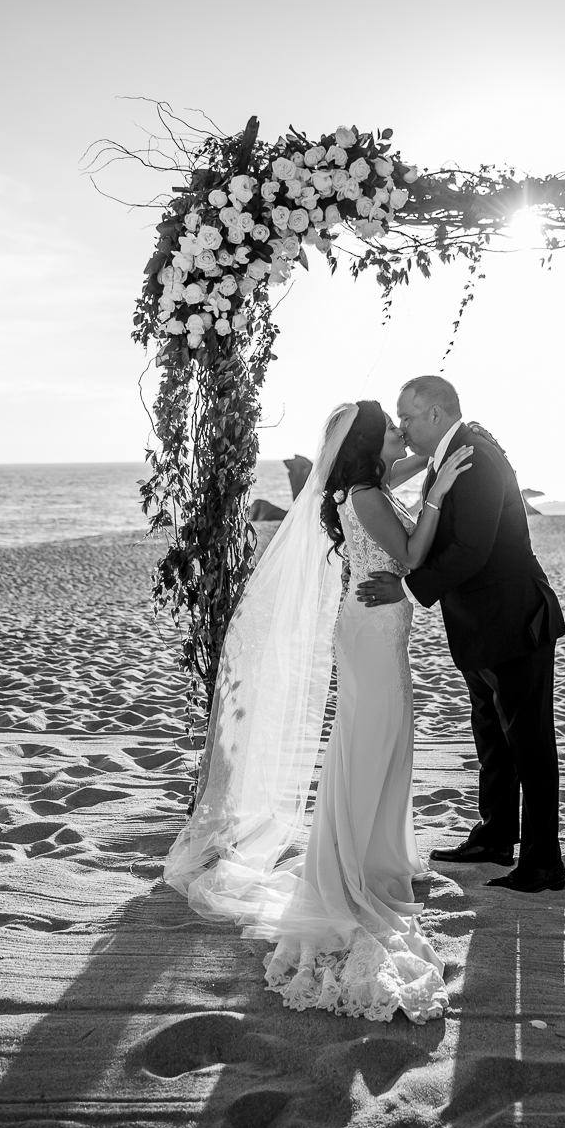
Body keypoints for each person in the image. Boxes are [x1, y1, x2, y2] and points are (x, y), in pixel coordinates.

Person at [163, 401, 474, 1024]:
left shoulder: (372, 484)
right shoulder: (364, 495)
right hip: (371, 637)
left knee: (383, 743)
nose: (398, 433)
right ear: (366, 443)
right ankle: (353, 867)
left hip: (380, 631)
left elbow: (411, 463)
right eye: (389, 425)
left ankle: (377, 851)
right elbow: (411, 555)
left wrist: (436, 456)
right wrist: (438, 490)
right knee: (368, 742)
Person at [356, 376, 565, 894]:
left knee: (530, 745)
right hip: (481, 627)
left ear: (434, 414)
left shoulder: (474, 457)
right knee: (494, 737)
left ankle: (543, 863)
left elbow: (471, 549)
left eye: (406, 416)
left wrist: (407, 590)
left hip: (516, 622)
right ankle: (496, 837)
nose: (401, 427)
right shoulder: (449, 455)